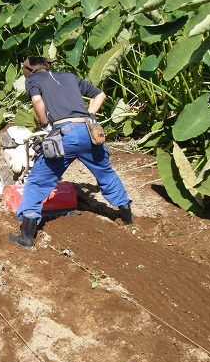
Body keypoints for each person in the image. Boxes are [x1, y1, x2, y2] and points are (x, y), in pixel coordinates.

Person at [9, 56, 133, 248]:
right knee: (105, 172)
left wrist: (44, 123)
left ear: (29, 70)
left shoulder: (33, 80)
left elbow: (36, 99)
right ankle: (127, 217)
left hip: (65, 135)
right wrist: (89, 115)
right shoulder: (68, 76)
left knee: (37, 181)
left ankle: (26, 237)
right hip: (89, 132)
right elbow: (99, 95)